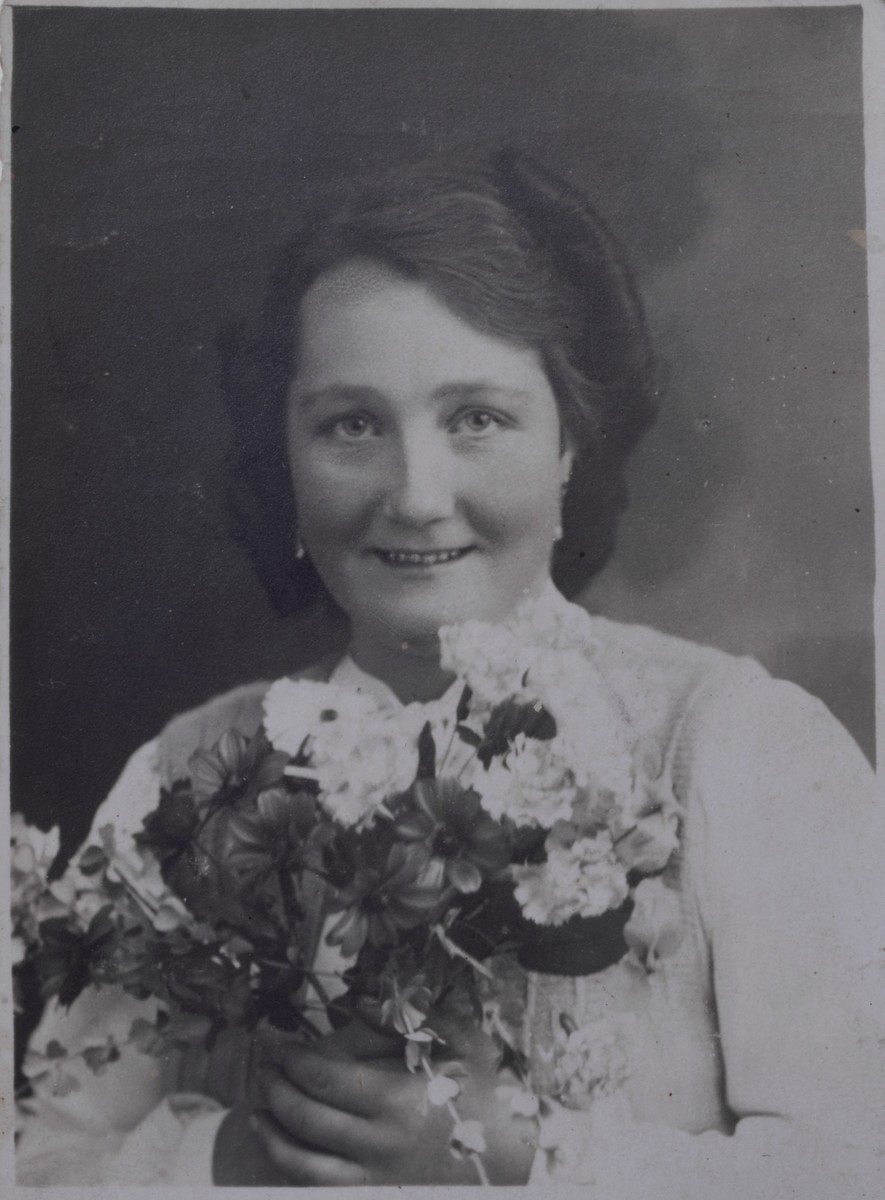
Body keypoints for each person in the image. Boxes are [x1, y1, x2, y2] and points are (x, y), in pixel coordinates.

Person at [16, 149, 883, 1193]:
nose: (417, 494)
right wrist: (233, 1162)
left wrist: (520, 1158)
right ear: (282, 457)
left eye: (477, 418)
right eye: (351, 425)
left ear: (572, 443)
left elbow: (854, 1172)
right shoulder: (191, 775)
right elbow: (36, 1162)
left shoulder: (741, 749)